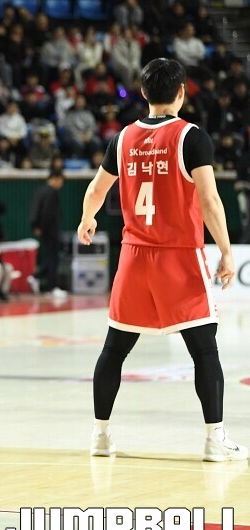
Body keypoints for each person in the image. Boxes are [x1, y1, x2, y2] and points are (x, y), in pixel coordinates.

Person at [77, 58, 247, 462]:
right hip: (178, 257)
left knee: (114, 349)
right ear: (182, 92)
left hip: (134, 256)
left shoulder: (122, 138)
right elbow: (209, 199)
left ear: (143, 93)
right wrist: (225, 250)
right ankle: (215, 439)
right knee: (204, 351)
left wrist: (87, 218)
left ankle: (100, 435)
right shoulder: (191, 136)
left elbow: (97, 189)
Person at [29, 170, 66, 296]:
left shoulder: (40, 191)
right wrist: (43, 227)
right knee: (53, 258)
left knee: (51, 257)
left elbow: (34, 210)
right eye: (61, 180)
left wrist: (36, 226)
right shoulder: (51, 193)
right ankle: (51, 287)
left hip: (45, 230)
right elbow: (48, 213)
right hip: (51, 230)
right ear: (55, 178)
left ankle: (36, 277)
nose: (61, 184)